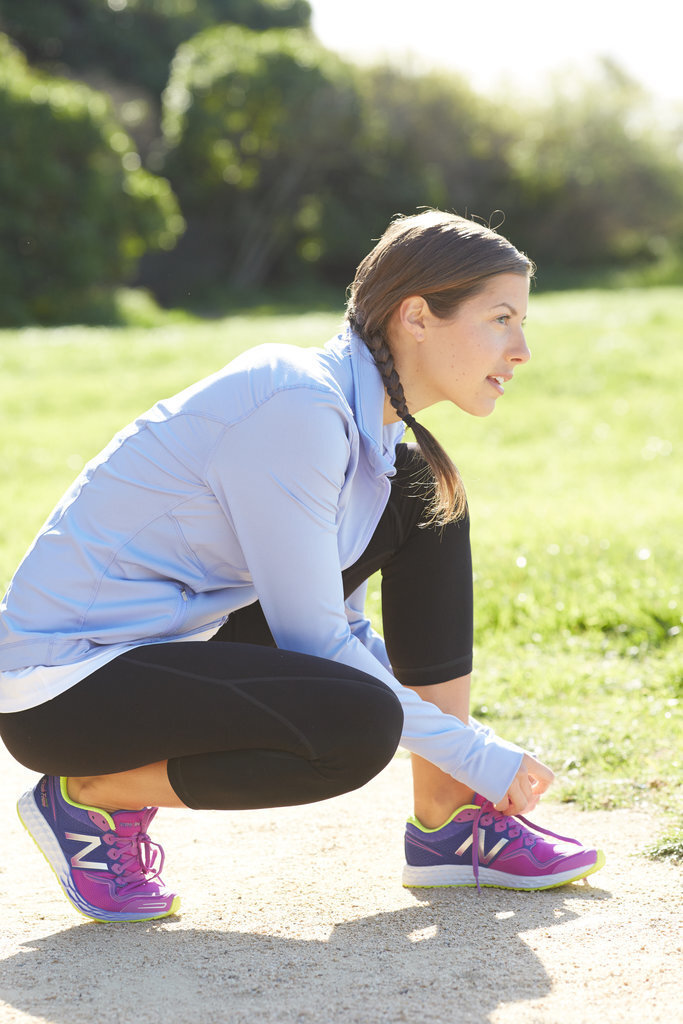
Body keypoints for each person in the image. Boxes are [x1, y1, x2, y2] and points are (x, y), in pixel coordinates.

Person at [0, 210, 604, 924]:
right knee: (355, 726)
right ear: (416, 315)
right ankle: (89, 798)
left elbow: (343, 627)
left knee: (429, 499)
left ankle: (448, 825)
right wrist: (479, 753)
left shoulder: (369, 438)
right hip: (67, 687)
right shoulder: (295, 405)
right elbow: (319, 646)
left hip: (174, 641)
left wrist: (469, 752)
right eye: (500, 319)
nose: (521, 348)